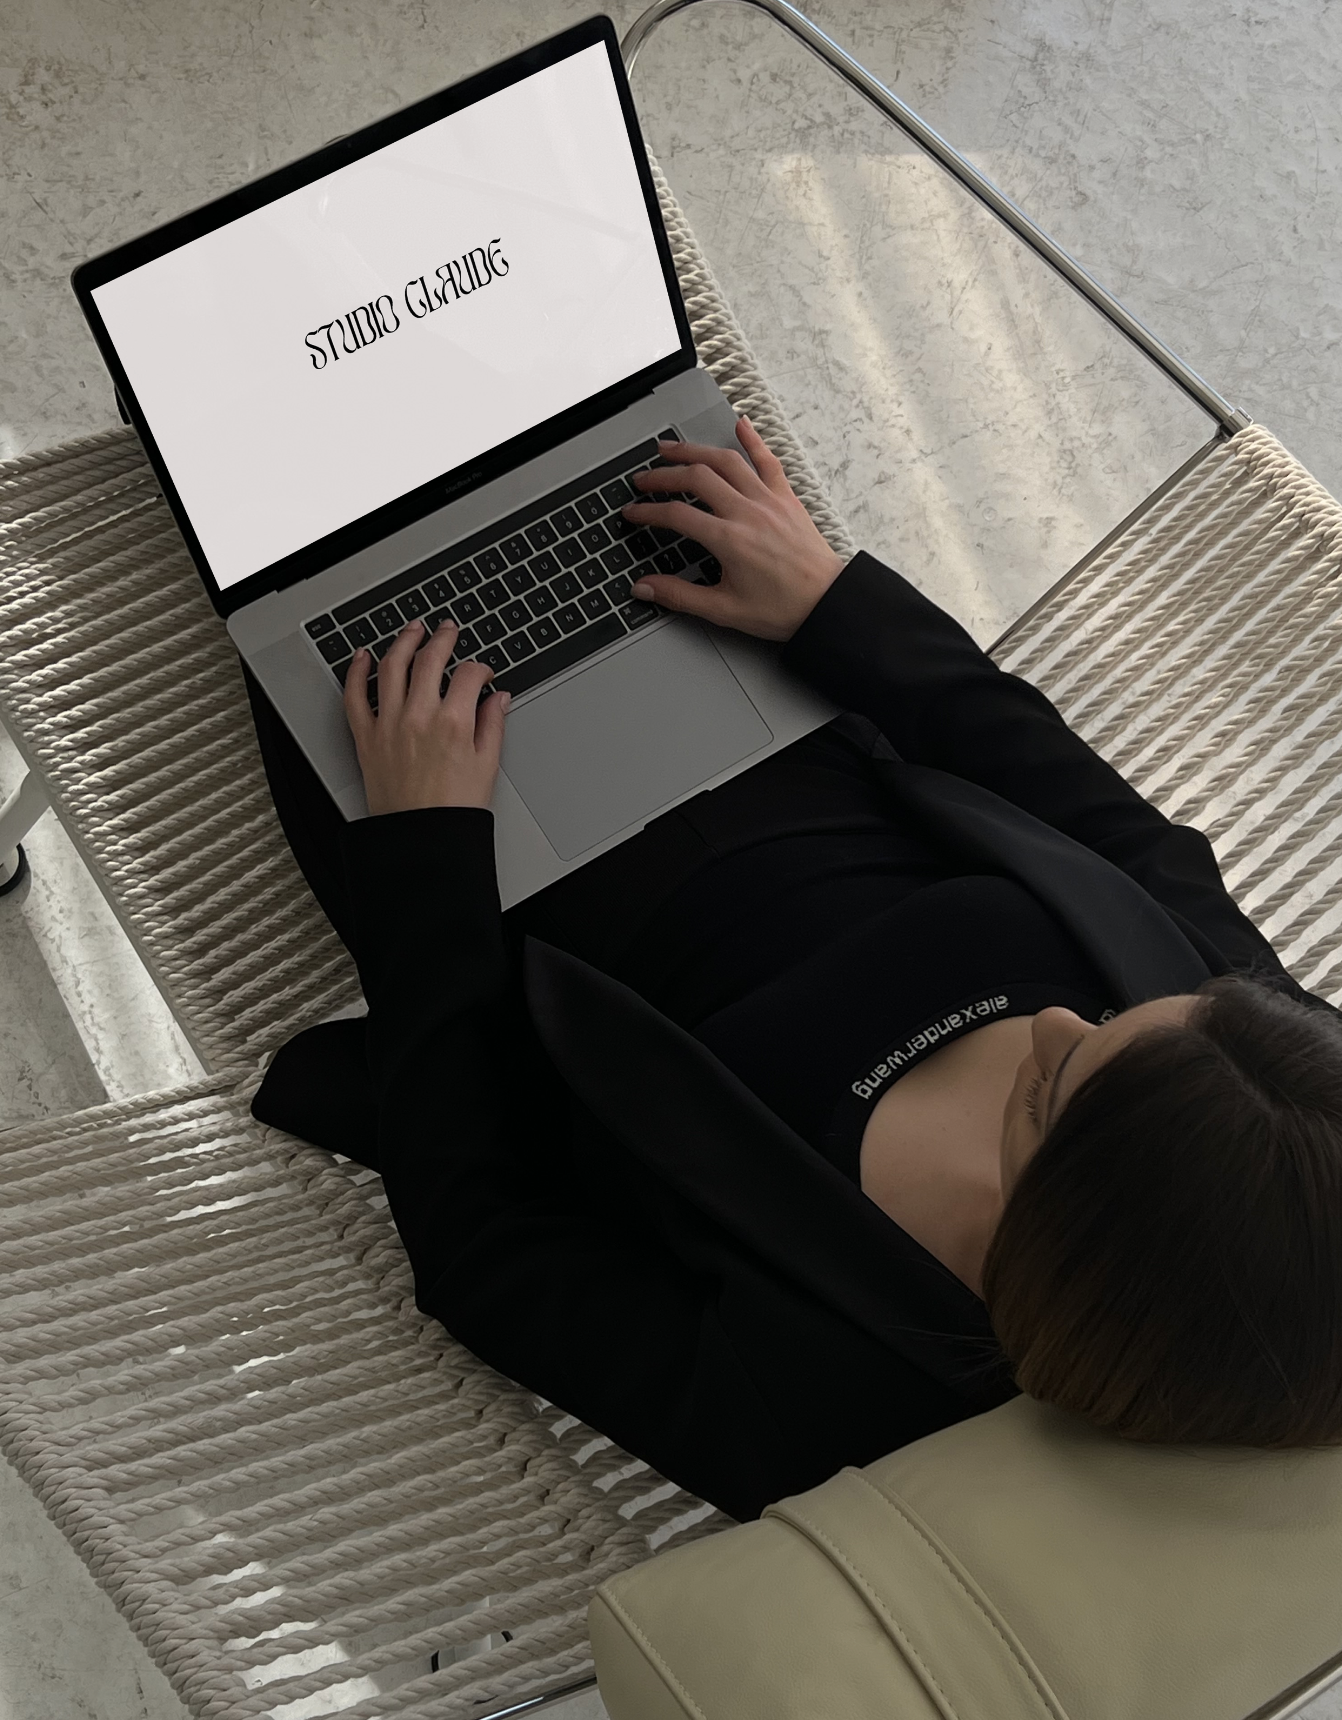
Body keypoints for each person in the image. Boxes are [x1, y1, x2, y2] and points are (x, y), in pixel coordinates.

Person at [249, 417, 1342, 1524]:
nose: (1059, 1019)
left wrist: (423, 855)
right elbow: (1116, 832)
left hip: (485, 860)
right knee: (569, 411)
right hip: (768, 702)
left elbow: (485, 1254)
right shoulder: (1267, 1100)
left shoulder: (828, 1406)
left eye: (1043, 1095)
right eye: (1136, 1013)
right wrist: (835, 608)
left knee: (292, 489)